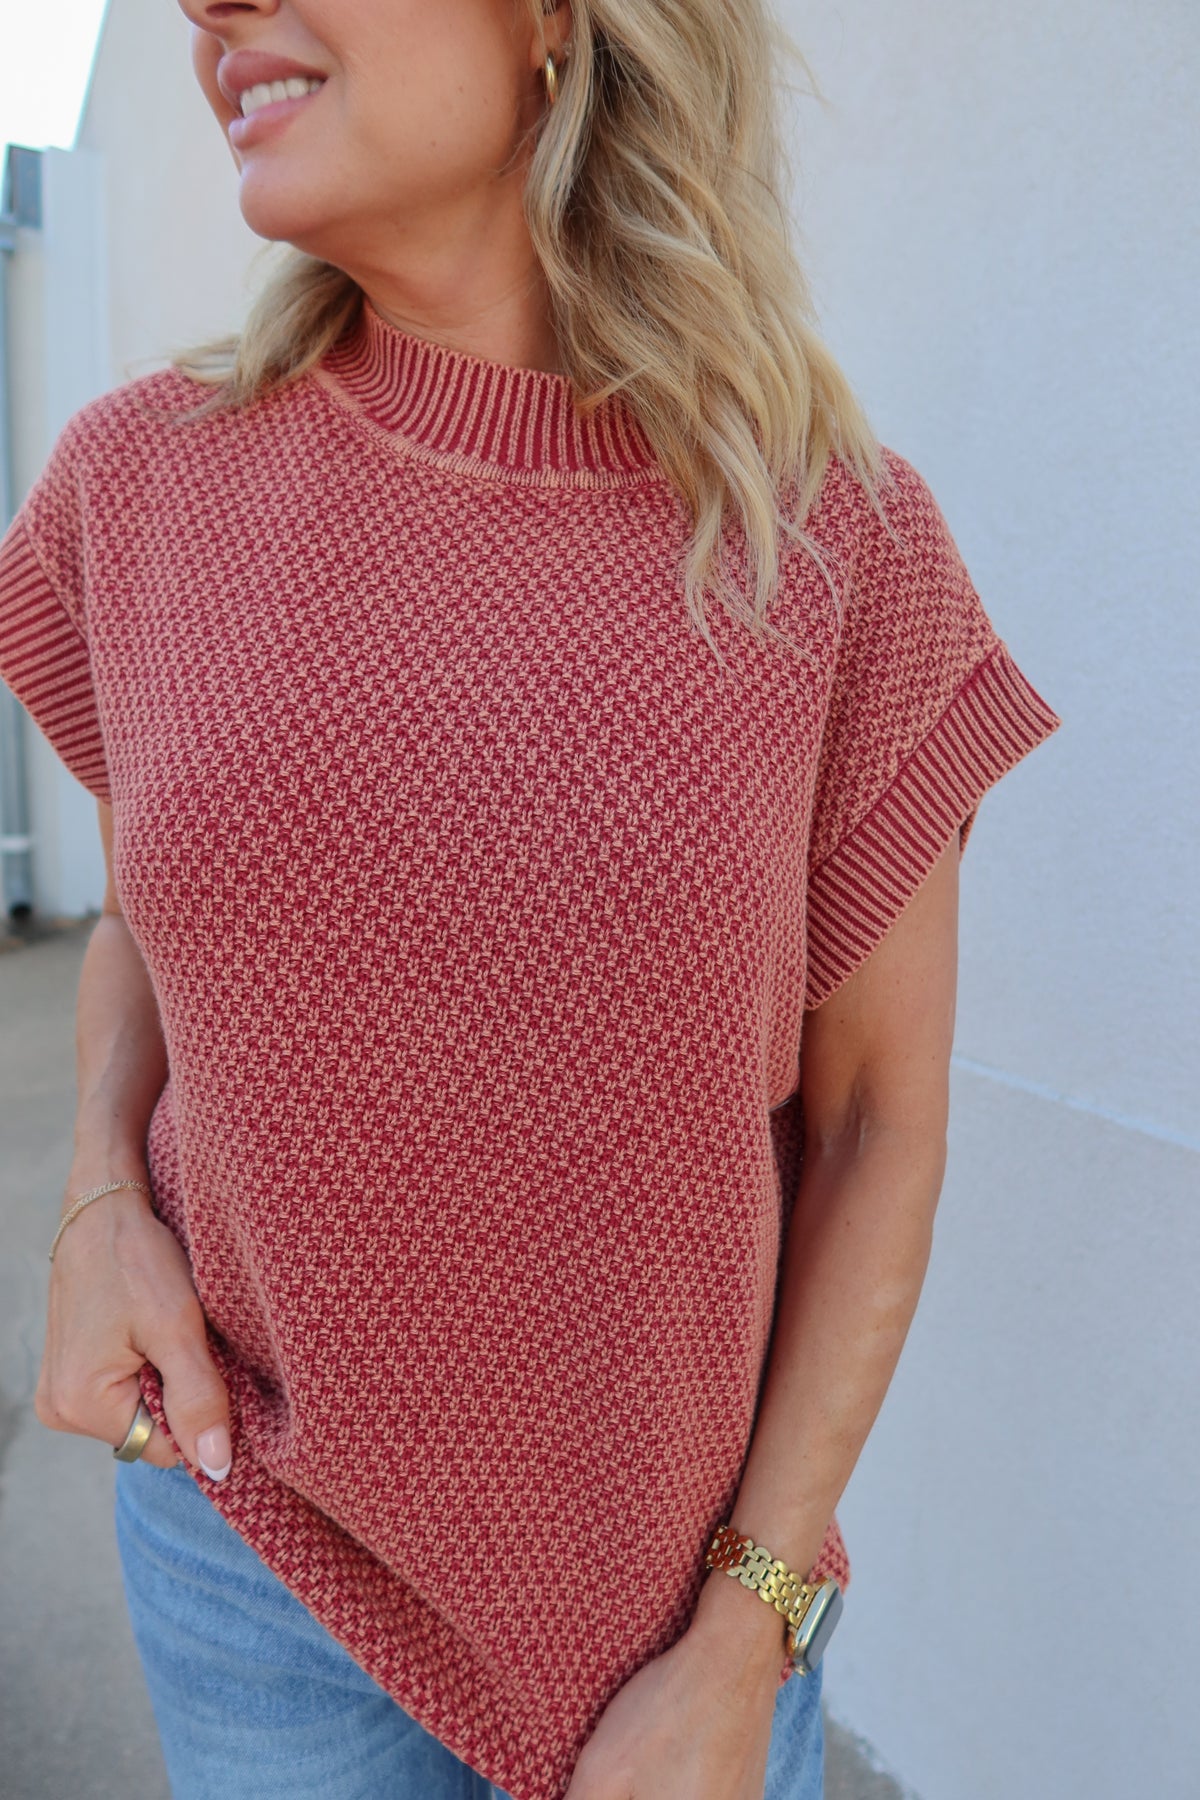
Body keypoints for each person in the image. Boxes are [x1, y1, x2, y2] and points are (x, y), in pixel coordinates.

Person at [0, 2, 1063, 1797]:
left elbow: (880, 1123)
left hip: (678, 1623)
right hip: (242, 1547)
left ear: (558, 21)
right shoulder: (141, 484)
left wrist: (749, 1631)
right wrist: (99, 1196)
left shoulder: (832, 547)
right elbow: (140, 922)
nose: (206, 4)